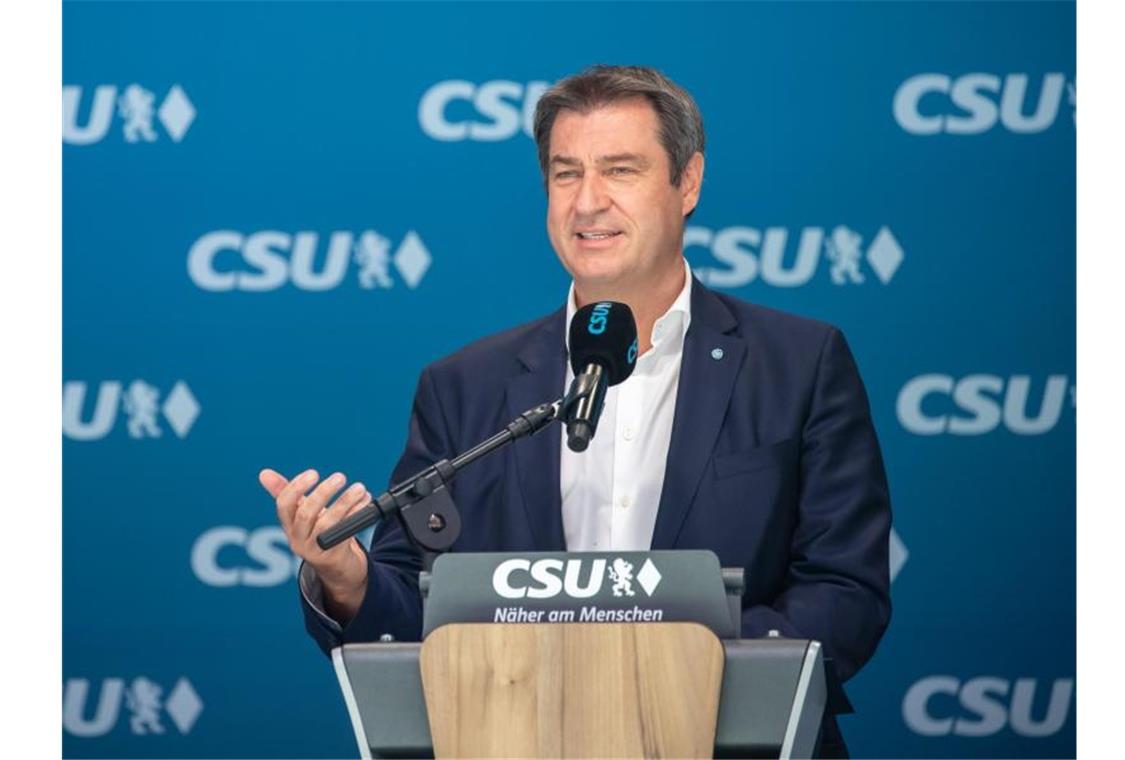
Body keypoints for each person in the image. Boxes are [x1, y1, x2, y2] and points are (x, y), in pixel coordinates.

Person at [259, 65, 891, 757]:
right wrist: (348, 583)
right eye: (566, 174)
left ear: (688, 183)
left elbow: (844, 590)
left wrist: (686, 677)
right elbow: (416, 611)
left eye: (620, 170)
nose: (588, 201)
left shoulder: (799, 363)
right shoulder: (465, 386)